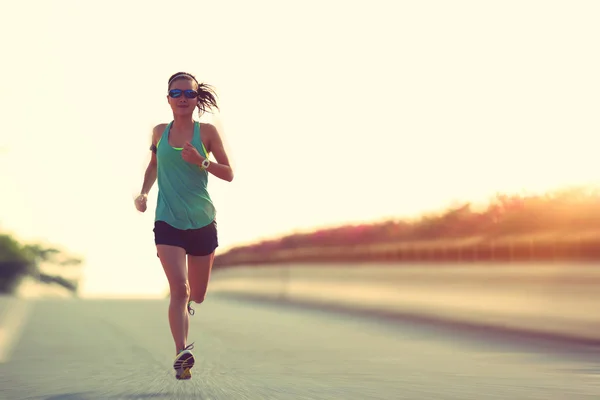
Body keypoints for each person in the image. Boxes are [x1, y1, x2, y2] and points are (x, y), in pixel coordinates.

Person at [134, 72, 234, 380]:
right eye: (175, 93)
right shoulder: (159, 132)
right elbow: (154, 165)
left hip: (202, 220)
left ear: (195, 99)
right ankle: (181, 353)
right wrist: (144, 192)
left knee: (197, 294)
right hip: (167, 220)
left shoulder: (207, 133)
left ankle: (189, 310)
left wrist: (200, 161)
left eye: (188, 94)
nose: (182, 98)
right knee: (179, 289)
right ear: (167, 99)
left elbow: (229, 173)